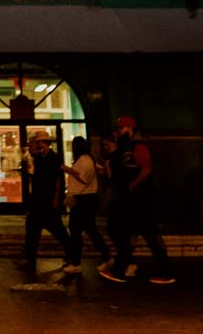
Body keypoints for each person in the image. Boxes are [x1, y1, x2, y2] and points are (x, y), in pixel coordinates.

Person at [97, 116, 174, 285]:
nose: (117, 132)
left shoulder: (138, 146)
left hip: (141, 201)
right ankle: (120, 270)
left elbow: (146, 169)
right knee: (134, 237)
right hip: (136, 200)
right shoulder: (129, 147)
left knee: (148, 237)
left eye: (120, 128)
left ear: (128, 128)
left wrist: (131, 187)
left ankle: (162, 272)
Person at [21, 132, 71, 266]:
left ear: (48, 144)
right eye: (38, 143)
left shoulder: (53, 158)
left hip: (48, 200)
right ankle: (29, 258)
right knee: (32, 228)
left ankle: (71, 253)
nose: (39, 145)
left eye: (41, 142)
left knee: (57, 229)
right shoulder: (39, 158)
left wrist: (56, 198)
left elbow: (58, 180)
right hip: (38, 199)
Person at [62, 135, 109, 272]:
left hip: (84, 199)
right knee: (88, 230)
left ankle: (76, 263)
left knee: (77, 230)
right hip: (86, 199)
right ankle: (105, 257)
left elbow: (84, 178)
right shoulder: (87, 159)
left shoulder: (84, 160)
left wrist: (68, 170)